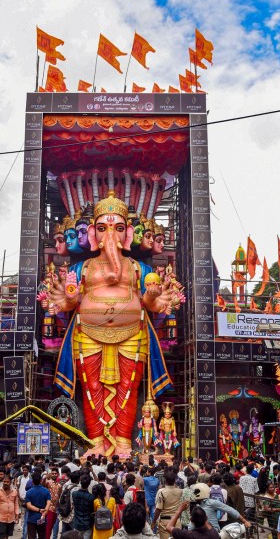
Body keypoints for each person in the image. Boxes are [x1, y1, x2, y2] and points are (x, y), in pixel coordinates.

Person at [50, 192, 174, 457]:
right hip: (88, 335)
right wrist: (71, 298)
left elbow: (154, 304)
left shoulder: (138, 268)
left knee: (128, 388)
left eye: (117, 228)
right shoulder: (82, 268)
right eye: (103, 228)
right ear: (93, 234)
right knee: (92, 388)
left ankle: (124, 443)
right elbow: (66, 302)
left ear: (127, 234)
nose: (110, 235)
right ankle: (95, 442)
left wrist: (151, 296)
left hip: (132, 334)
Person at [151, 471, 182, 539]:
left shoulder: (162, 492)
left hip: (165, 522)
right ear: (174, 480)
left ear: (165, 481)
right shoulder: (180, 491)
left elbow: (158, 509)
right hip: (177, 521)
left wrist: (153, 522)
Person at [0, 474, 19, 539]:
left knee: (7, 536)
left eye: (7, 482)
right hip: (1, 518)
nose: (6, 483)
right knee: (1, 536)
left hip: (11, 518)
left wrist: (17, 514)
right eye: (4, 481)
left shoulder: (14, 492)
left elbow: (16, 504)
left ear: (10, 482)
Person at [25, 473, 51, 539]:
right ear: (41, 480)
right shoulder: (46, 491)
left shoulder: (28, 492)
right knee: (42, 536)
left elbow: (29, 506)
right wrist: (44, 513)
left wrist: (39, 510)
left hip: (31, 519)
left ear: (32, 481)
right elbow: (48, 503)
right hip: (42, 519)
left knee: (31, 537)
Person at [72, 473, 94, 539]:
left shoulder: (74, 494)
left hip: (77, 523)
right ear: (89, 484)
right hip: (87, 524)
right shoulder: (91, 497)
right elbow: (91, 510)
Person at [44, 467, 61, 539]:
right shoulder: (47, 483)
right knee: (48, 528)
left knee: (53, 526)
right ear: (51, 474)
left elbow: (59, 496)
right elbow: (42, 485)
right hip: (49, 508)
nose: (54, 475)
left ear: (57, 474)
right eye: (53, 473)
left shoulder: (59, 485)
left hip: (56, 508)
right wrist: (45, 477)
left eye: (55, 474)